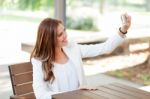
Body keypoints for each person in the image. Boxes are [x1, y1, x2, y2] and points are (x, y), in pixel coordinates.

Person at [31, 13, 131, 99]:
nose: (65, 35)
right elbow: (41, 95)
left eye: (64, 30)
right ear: (50, 39)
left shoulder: (73, 48)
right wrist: (71, 94)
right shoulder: (38, 61)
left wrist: (123, 29)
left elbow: (105, 47)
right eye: (60, 34)